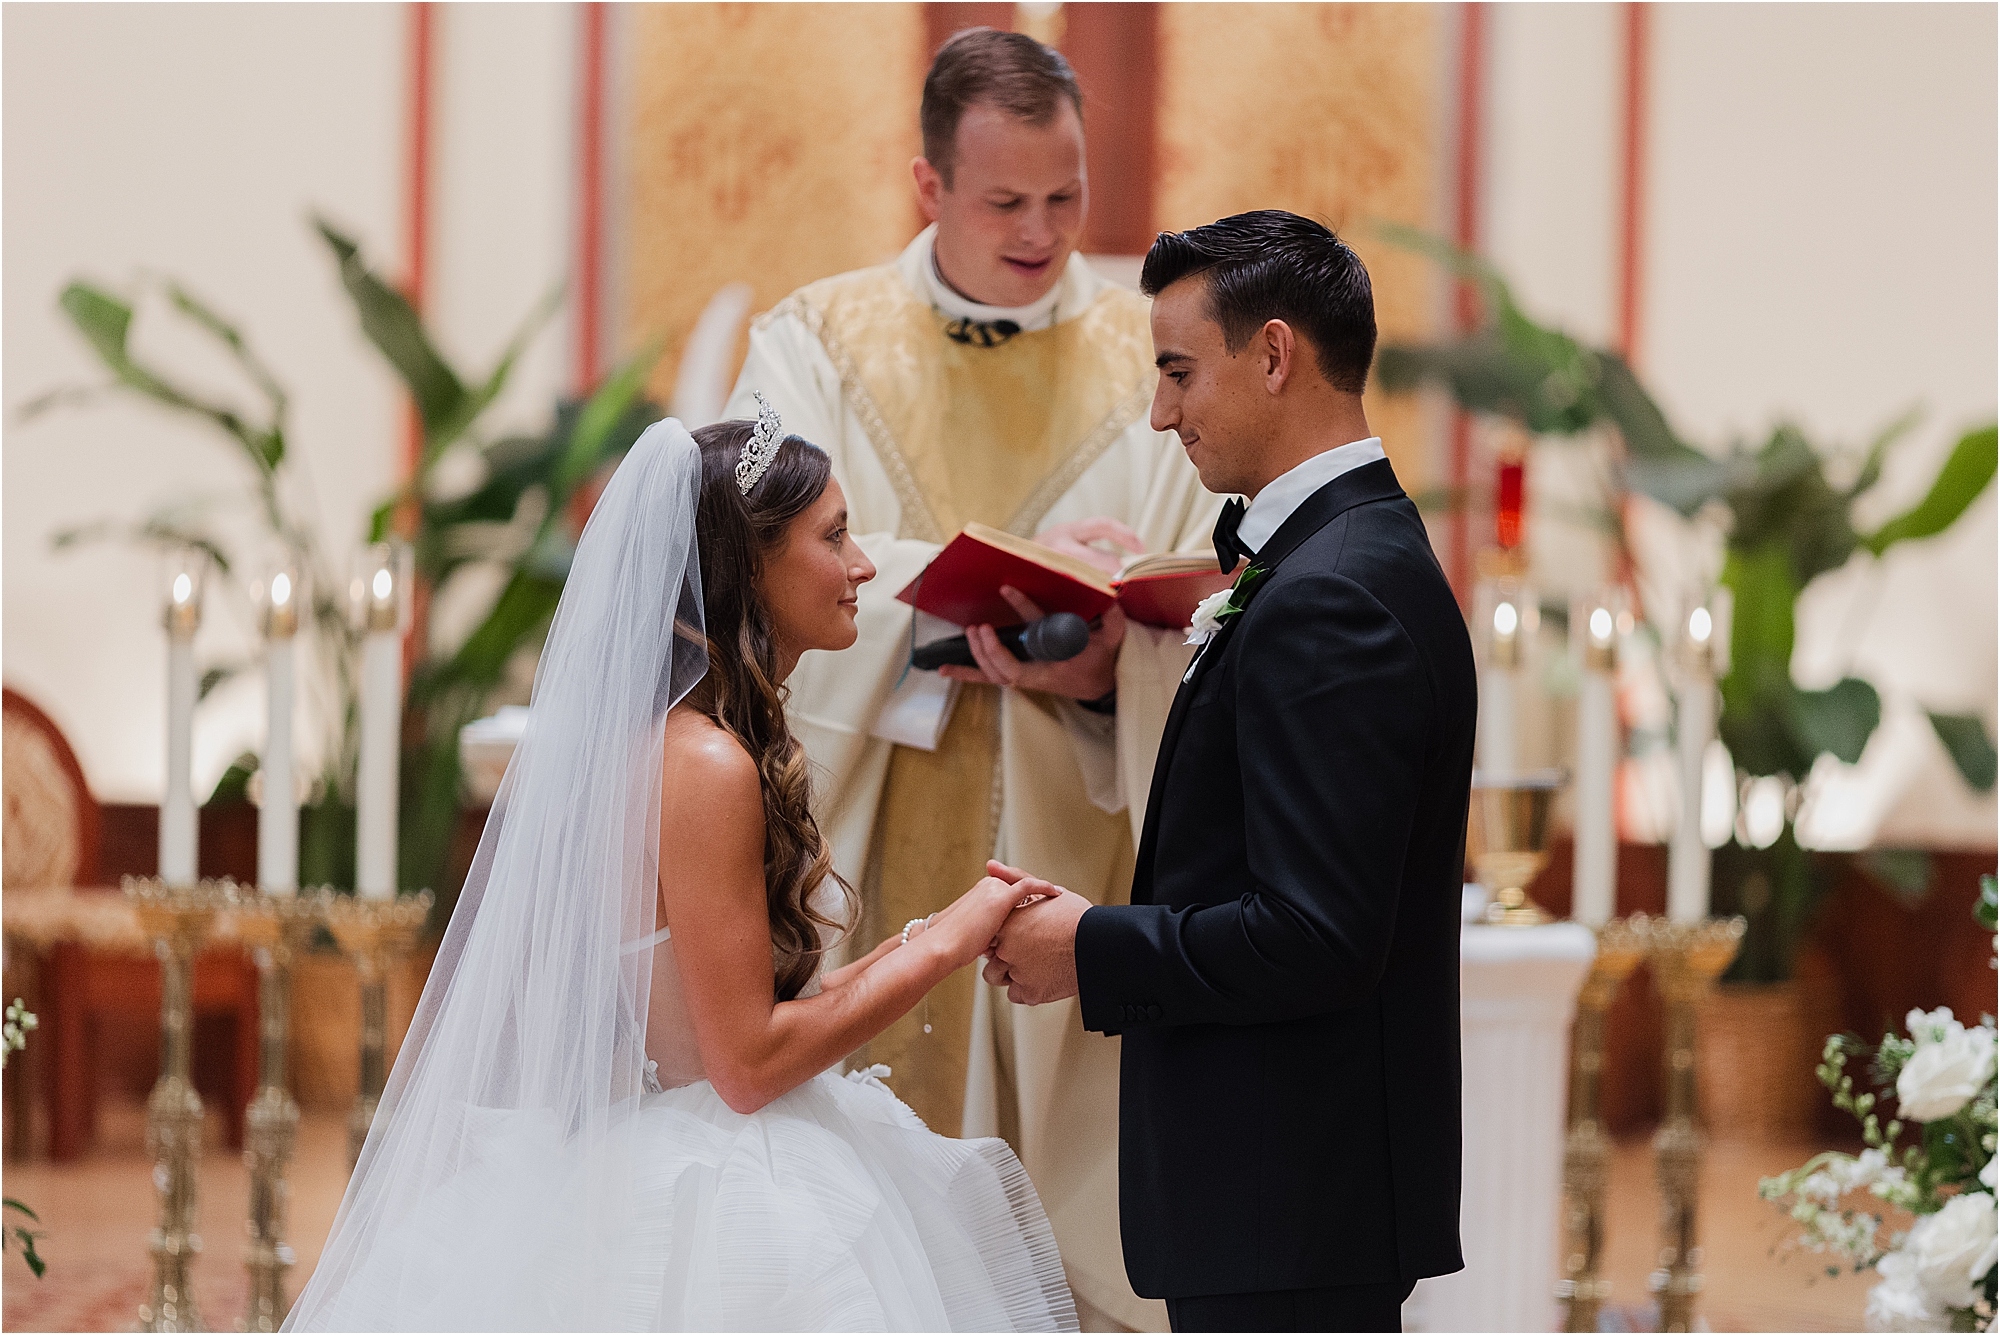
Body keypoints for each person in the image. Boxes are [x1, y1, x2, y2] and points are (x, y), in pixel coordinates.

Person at [285, 406, 1078, 1332]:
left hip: (654, 1137)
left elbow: (746, 1015)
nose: (864, 566)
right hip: (730, 1177)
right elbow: (745, 1064)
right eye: (834, 536)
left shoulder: (667, 746)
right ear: (747, 566)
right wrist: (947, 943)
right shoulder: (703, 765)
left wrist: (950, 922)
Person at [725, 26, 1217, 1328]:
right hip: (865, 808)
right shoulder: (816, 339)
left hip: (1065, 826)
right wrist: (959, 589)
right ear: (928, 186)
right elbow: (753, 560)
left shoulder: (1148, 358)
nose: (1044, 231)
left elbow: (1191, 592)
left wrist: (1115, 665)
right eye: (1006, 200)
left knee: (1053, 1250)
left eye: (1068, 197)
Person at [983, 211, 1478, 1333]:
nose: (1159, 413)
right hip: (1284, 1199)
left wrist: (1089, 947)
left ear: (1270, 354)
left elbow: (1315, 935)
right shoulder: (1328, 559)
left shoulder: (1328, 595)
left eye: (1175, 372)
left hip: (1286, 1193)